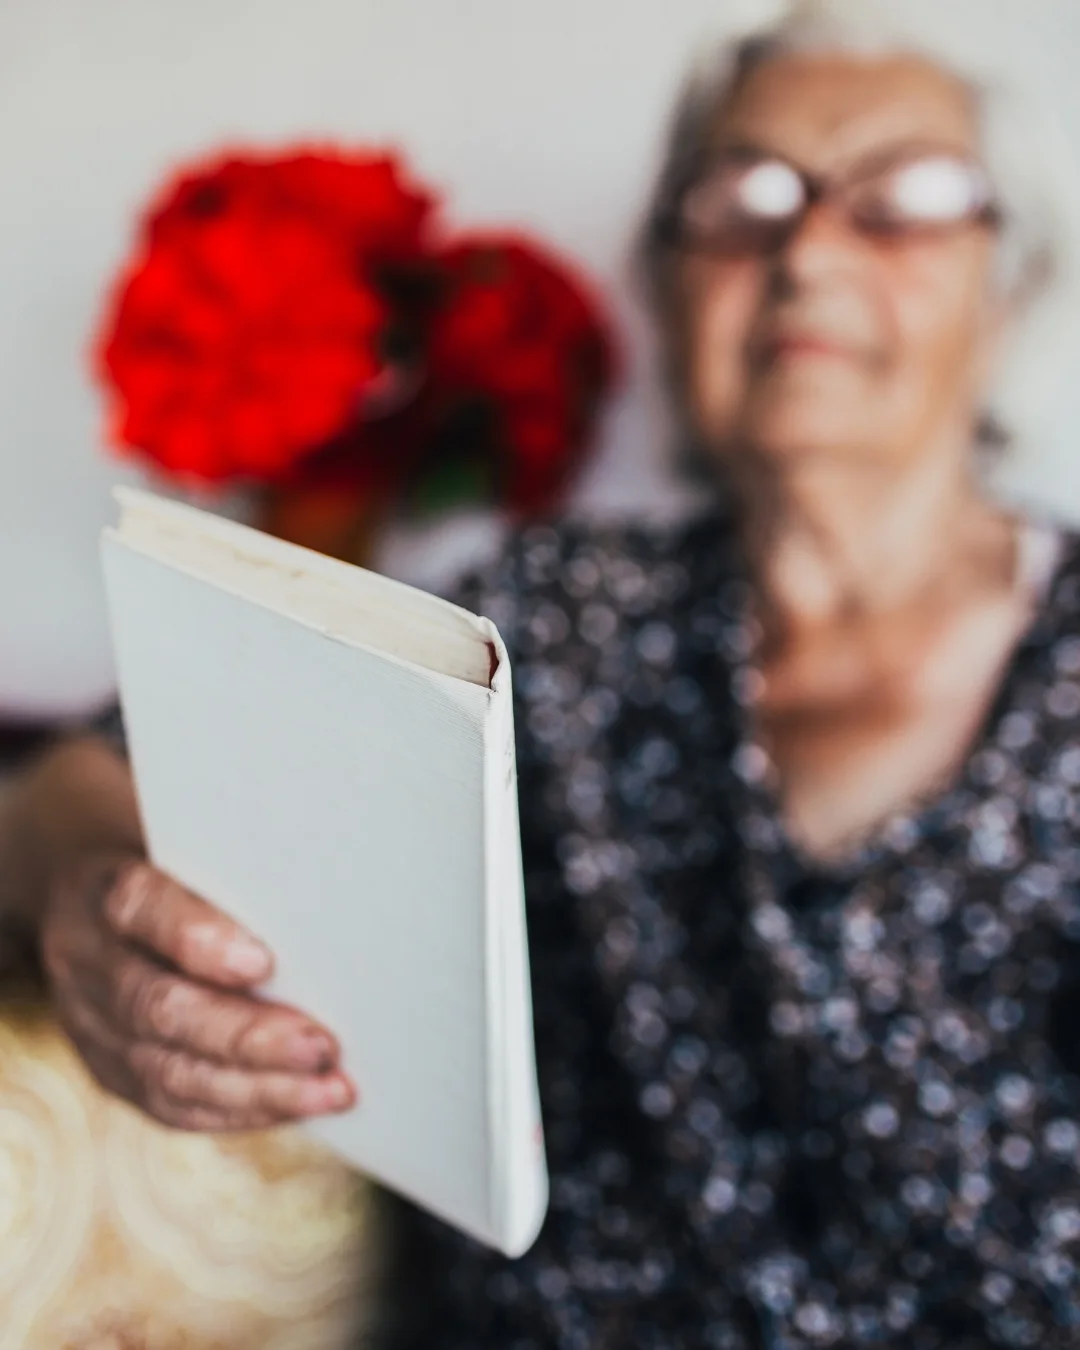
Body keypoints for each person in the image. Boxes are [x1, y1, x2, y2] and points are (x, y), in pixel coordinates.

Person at [5, 1, 1080, 1344]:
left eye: (906, 198)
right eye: (743, 194)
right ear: (675, 280)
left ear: (1011, 283)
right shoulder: (561, 619)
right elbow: (72, 765)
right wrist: (92, 890)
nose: (806, 248)